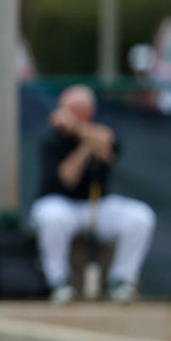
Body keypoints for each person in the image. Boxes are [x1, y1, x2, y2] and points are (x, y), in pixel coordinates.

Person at [30, 85, 155, 303]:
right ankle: (57, 282)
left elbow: (108, 146)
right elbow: (68, 178)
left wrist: (80, 131)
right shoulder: (52, 137)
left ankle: (120, 281)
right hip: (60, 203)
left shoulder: (102, 126)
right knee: (53, 218)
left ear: (87, 112)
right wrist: (86, 147)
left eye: (70, 110)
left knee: (140, 217)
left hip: (98, 204)